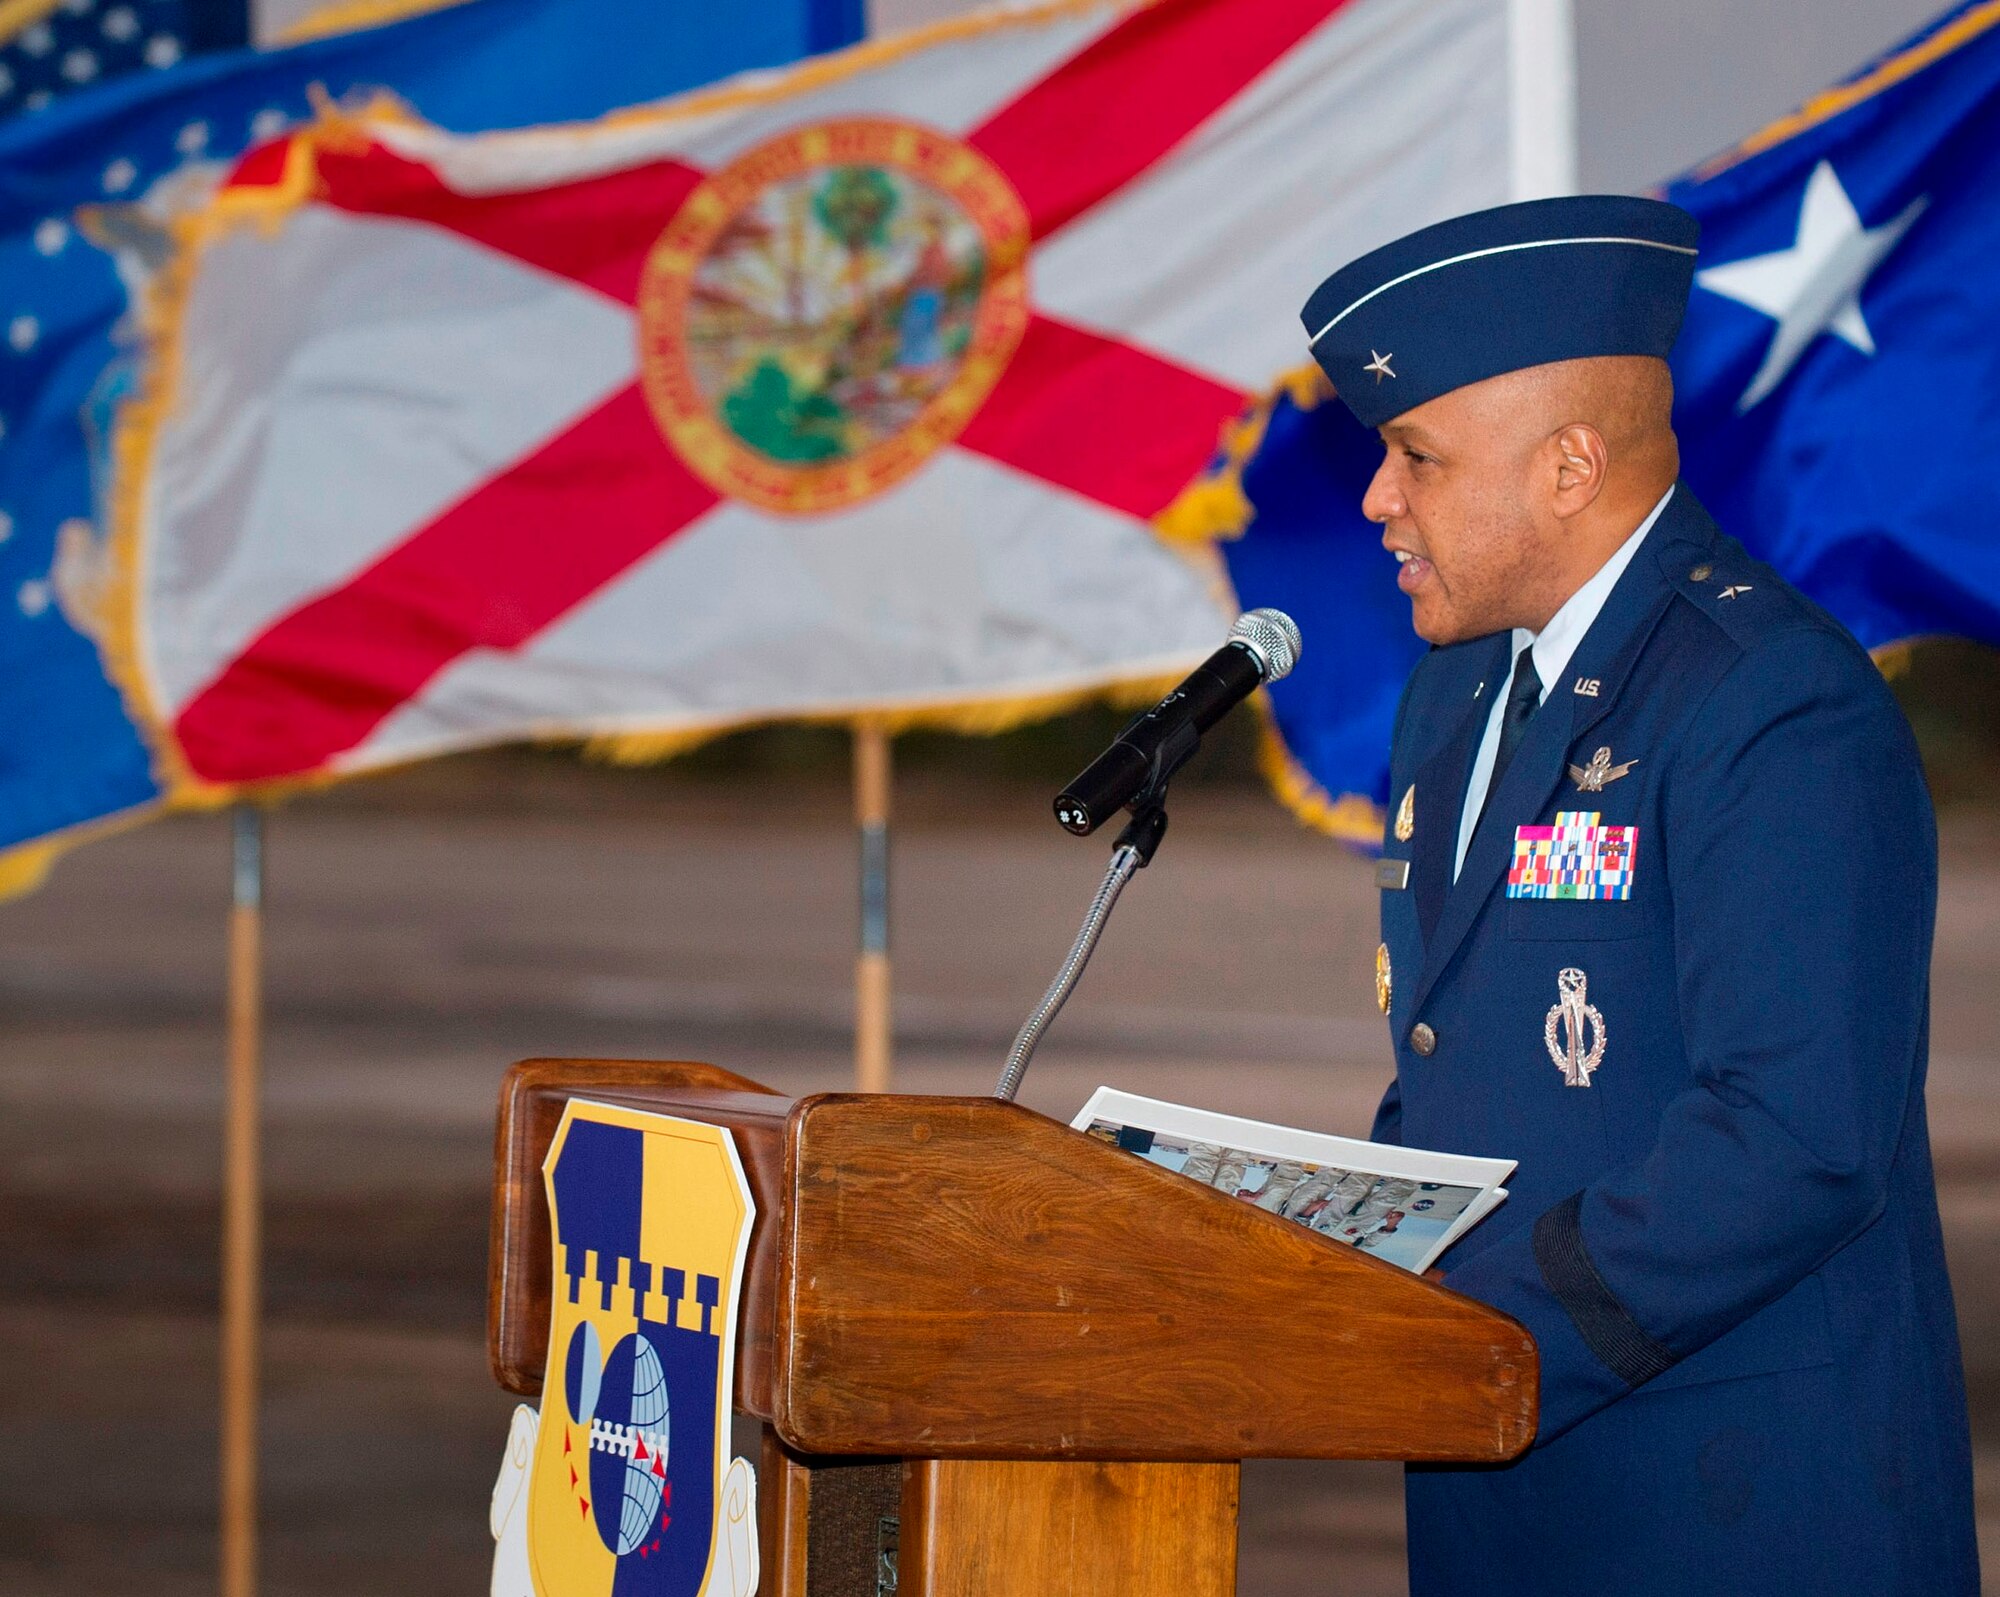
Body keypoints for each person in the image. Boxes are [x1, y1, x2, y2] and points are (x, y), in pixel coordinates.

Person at [1298, 196, 1977, 1594]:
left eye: (1414, 455)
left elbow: (1796, 1137)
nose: (1377, 498)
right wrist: (1328, 1252)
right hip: (1501, 1488)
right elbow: (1451, 1065)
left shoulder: (1770, 701)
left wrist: (1462, 1327)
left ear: (1567, 465)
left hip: (1733, 1505)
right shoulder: (1456, 688)